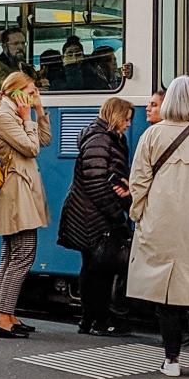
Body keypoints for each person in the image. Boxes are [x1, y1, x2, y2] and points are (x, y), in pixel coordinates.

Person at [127, 75, 189, 378]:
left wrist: (140, 214)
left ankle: (170, 360)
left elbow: (138, 182)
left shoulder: (152, 136)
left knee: (166, 295)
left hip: (161, 223)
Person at [58, 95, 132, 336]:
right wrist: (117, 215)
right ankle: (97, 321)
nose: (129, 123)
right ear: (116, 116)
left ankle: (90, 320)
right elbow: (97, 182)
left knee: (93, 268)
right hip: (92, 215)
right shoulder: (101, 139)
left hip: (88, 213)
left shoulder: (104, 137)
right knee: (99, 270)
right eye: (127, 118)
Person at [0, 70, 50, 338]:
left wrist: (38, 111)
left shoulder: (11, 115)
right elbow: (31, 148)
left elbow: (44, 139)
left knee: (11, 255)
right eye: (32, 91)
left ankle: (7, 314)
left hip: (20, 188)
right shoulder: (5, 118)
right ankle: (2, 318)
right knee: (23, 255)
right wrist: (26, 119)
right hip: (17, 190)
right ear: (17, 92)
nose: (36, 94)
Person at [0, 27, 33, 93]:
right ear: (4, 47)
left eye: (23, 43)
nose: (20, 47)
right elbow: (3, 87)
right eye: (15, 43)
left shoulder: (24, 67)